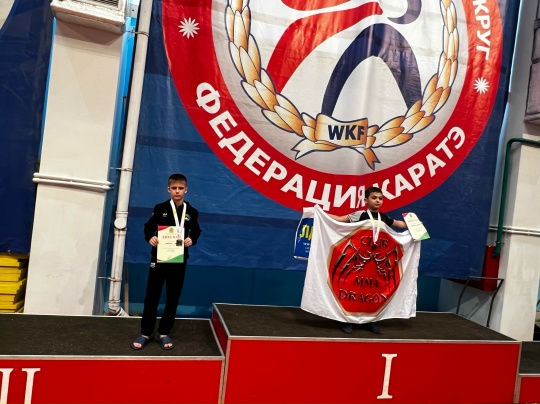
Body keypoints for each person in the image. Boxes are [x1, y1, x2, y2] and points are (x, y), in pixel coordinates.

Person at [131, 173, 201, 350]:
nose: (177, 191)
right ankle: (146, 332)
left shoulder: (191, 211)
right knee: (152, 295)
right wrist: (150, 237)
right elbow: (149, 226)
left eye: (180, 188)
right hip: (159, 258)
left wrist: (192, 239)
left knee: (173, 296)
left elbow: (196, 231)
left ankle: (164, 332)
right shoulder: (160, 207)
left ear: (186, 190)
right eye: (174, 188)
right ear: (168, 189)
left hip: (179, 259)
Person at [329, 186, 407, 335]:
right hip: (358, 259)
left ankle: (370, 321)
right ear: (366, 200)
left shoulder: (384, 217)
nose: (377, 200)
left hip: (376, 262)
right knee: (353, 289)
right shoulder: (359, 215)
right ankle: (347, 320)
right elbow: (340, 219)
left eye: (380, 198)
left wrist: (414, 224)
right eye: (374, 198)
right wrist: (320, 213)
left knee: (372, 290)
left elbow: (398, 224)